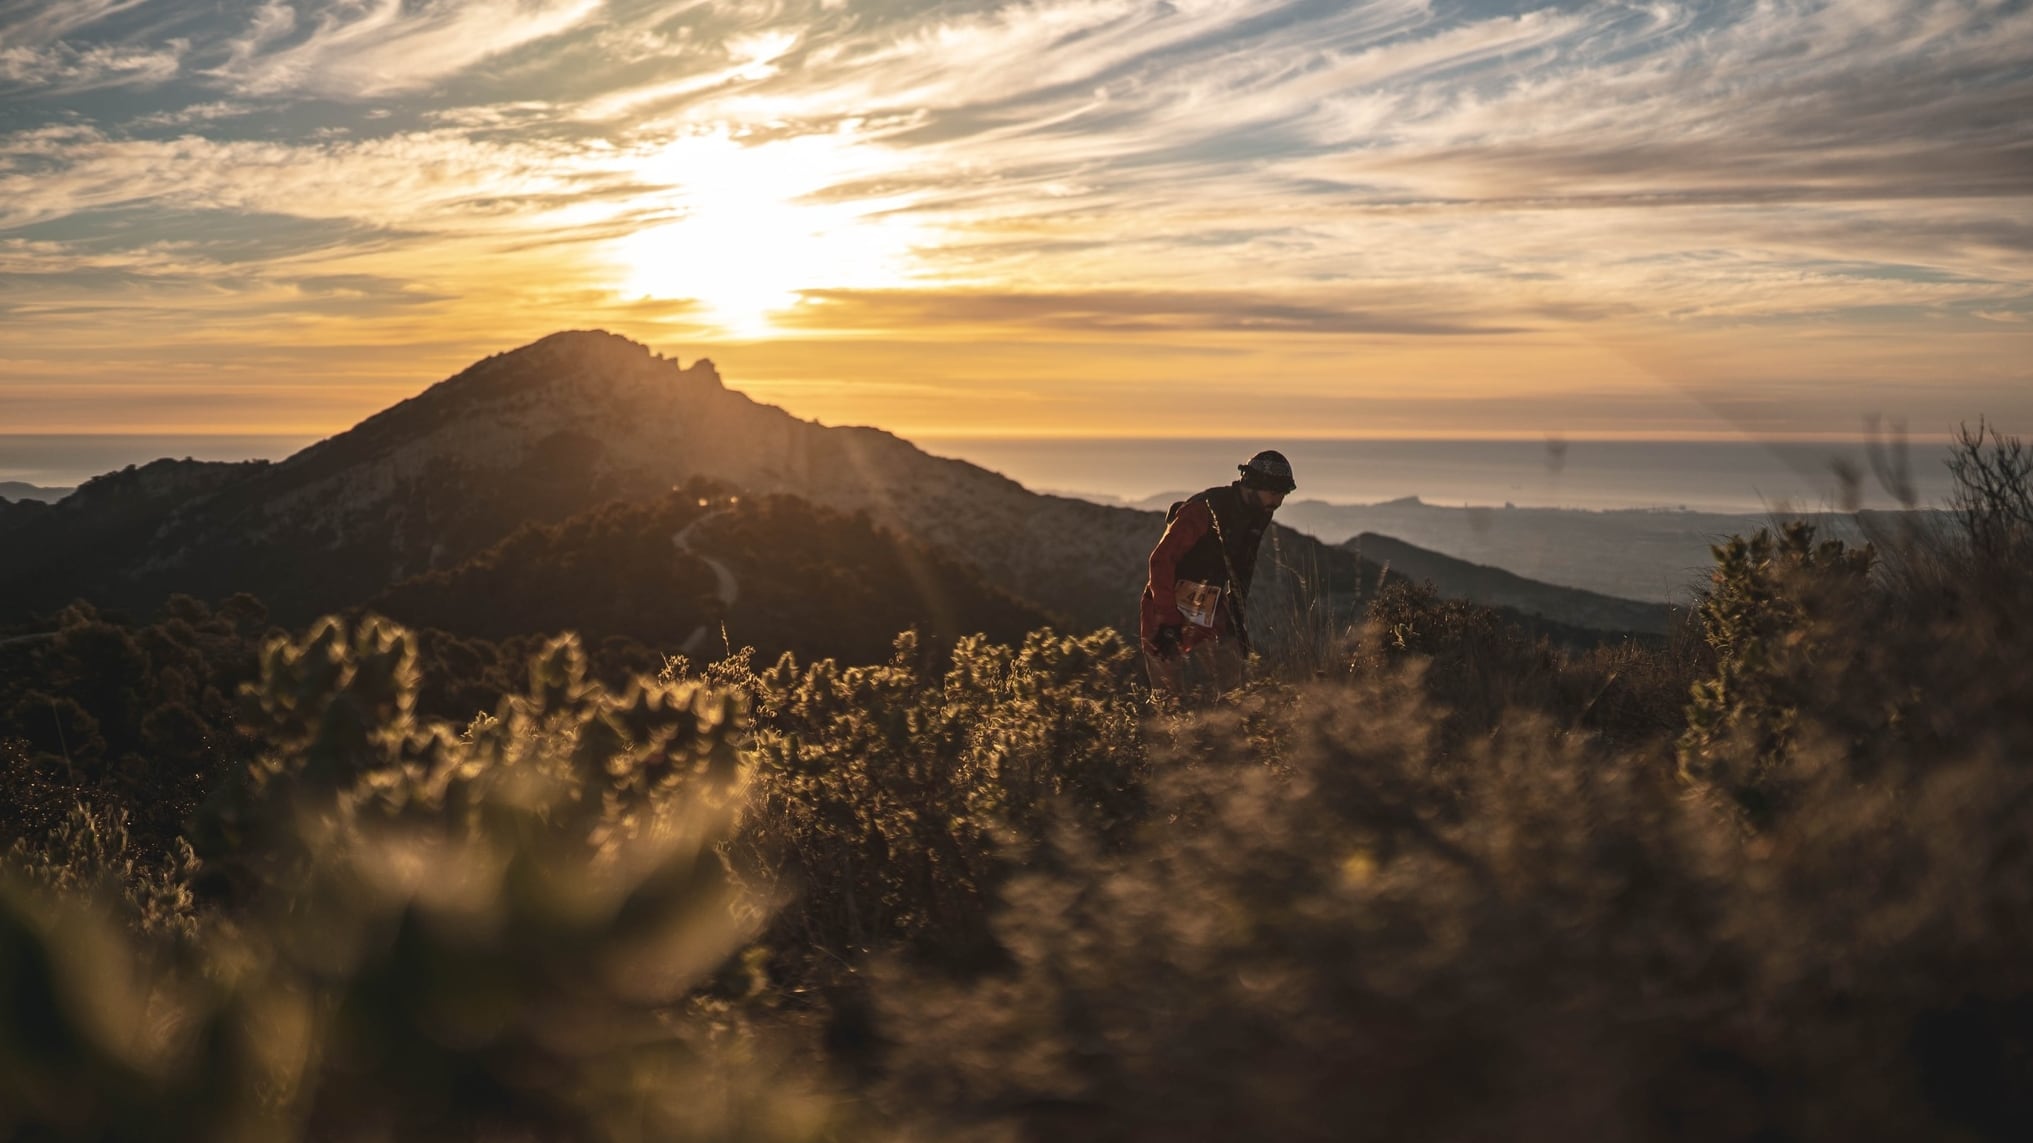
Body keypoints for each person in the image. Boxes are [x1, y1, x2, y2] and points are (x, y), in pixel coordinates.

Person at [1140, 449, 1296, 696]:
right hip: (1163, 604)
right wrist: (1168, 619)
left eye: (1283, 495)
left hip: (1211, 607)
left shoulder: (1260, 513)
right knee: (1166, 694)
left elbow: (1243, 568)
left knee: (1232, 685)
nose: (1278, 502)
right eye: (1275, 493)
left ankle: (1224, 731)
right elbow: (1160, 561)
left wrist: (1237, 620)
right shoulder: (1203, 509)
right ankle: (1166, 733)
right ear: (1254, 485)